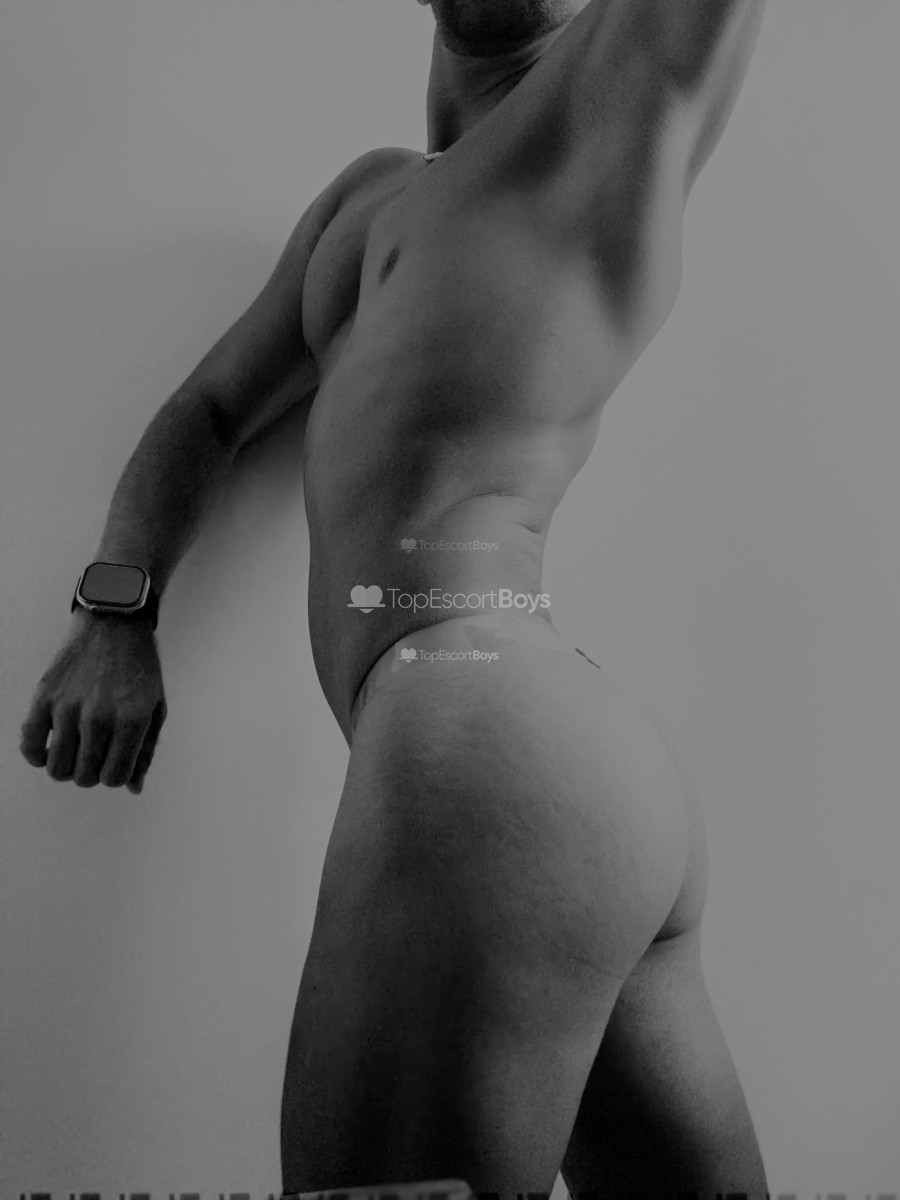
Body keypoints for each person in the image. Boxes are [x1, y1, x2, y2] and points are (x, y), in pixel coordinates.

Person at [20, 2, 771, 1197]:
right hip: (544, 777)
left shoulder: (606, 105)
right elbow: (206, 413)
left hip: (484, 742)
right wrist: (118, 613)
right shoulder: (363, 202)